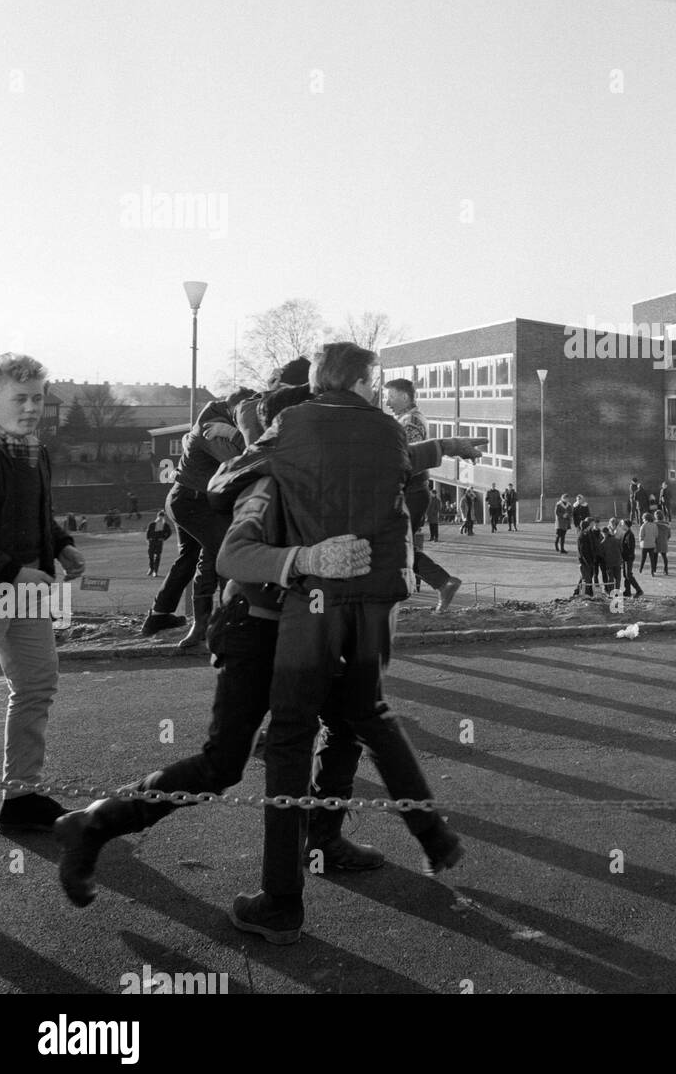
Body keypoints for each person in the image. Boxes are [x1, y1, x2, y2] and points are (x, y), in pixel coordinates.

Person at [201, 342, 486, 943]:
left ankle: (281, 902)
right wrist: (448, 447)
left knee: (289, 738)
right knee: (368, 712)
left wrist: (259, 469)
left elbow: (228, 477)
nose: (380, 390)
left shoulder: (293, 424)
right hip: (379, 597)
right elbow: (406, 461)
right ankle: (431, 836)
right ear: (358, 380)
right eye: (374, 380)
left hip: (318, 596)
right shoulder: (386, 430)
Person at [56, 524, 385, 909]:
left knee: (345, 722)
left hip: (317, 628)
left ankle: (324, 839)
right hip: (255, 624)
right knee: (223, 765)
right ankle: (95, 824)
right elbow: (230, 550)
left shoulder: (357, 475)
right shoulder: (269, 473)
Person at [0, 352, 85, 834]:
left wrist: (62, 545)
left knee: (36, 688)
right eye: (19, 398)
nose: (30, 408)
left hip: (27, 590)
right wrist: (10, 570)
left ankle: (21, 797)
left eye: (37, 398)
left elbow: (33, 516)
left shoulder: (36, 451)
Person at [142, 389, 253, 649]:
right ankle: (222, 619)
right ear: (233, 411)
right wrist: (237, 434)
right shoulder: (211, 425)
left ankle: (163, 616)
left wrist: (232, 433)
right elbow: (239, 460)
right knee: (223, 552)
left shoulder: (216, 419)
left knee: (193, 558)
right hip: (192, 501)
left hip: (194, 499)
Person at [385, 379, 462, 616]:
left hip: (412, 492)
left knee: (395, 545)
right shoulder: (410, 419)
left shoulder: (411, 422)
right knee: (396, 545)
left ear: (405, 397)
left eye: (392, 397)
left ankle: (443, 582)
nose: (387, 403)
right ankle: (442, 583)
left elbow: (406, 459)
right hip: (413, 492)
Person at [574, 517, 600, 597]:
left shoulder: (587, 533)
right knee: (587, 578)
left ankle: (577, 591)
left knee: (584, 577)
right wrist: (588, 562)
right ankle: (588, 594)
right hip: (586, 561)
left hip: (589, 560)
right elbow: (583, 551)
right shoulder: (582, 536)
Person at [619, 519, 643, 598]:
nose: (621, 525)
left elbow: (630, 548)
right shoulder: (626, 533)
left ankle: (639, 590)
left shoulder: (630, 535)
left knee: (628, 575)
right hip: (625, 558)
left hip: (628, 558)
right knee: (626, 575)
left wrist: (627, 557)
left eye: (622, 524)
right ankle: (627, 591)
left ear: (626, 525)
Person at [599, 520, 623, 596]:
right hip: (617, 561)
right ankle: (618, 591)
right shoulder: (616, 540)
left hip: (609, 562)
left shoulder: (602, 543)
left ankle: (611, 592)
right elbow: (621, 549)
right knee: (618, 578)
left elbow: (601, 554)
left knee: (611, 578)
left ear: (603, 533)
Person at [145, 510, 172, 577]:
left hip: (159, 542)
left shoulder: (165, 525)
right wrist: (149, 539)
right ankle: (151, 568)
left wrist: (164, 538)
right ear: (157, 516)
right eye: (160, 516)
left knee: (157, 556)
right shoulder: (152, 524)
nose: (160, 518)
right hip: (152, 542)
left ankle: (155, 571)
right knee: (150, 556)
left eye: (162, 517)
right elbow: (148, 532)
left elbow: (169, 532)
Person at [655, 510, 672, 576]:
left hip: (656, 541)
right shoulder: (667, 524)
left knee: (655, 556)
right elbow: (669, 534)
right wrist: (666, 539)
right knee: (664, 556)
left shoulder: (654, 524)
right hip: (664, 541)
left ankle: (654, 569)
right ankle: (665, 570)